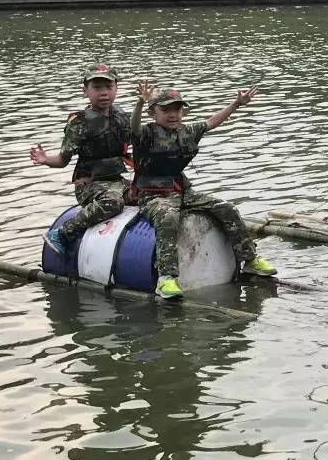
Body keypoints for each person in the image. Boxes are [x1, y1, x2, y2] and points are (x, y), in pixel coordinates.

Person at [130, 83, 276, 299]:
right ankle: (166, 278)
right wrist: (140, 103)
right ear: (153, 113)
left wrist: (236, 104)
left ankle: (249, 260)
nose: (173, 115)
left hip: (181, 191)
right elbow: (133, 127)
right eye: (166, 110)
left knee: (226, 208)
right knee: (168, 218)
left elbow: (212, 122)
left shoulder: (187, 132)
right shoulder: (145, 134)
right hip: (151, 194)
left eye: (177, 109)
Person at [29, 62, 132, 256]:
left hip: (117, 181)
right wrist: (45, 159)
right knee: (113, 203)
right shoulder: (79, 122)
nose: (104, 93)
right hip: (89, 185)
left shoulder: (121, 117)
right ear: (85, 91)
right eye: (97, 87)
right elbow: (63, 160)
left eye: (109, 87)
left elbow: (134, 144)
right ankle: (62, 233)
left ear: (116, 88)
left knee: (148, 194)